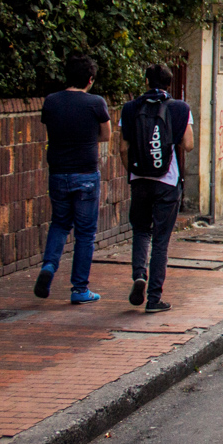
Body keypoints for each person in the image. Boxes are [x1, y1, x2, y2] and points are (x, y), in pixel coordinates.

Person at [117, 64, 194, 313]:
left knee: (140, 231)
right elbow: (189, 144)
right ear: (169, 84)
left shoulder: (130, 108)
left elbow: (121, 148)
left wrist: (134, 173)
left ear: (147, 81)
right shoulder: (180, 108)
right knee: (161, 241)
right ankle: (154, 298)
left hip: (139, 180)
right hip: (167, 183)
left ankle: (139, 274)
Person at [36, 54, 112, 303]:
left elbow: (51, 128)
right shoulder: (96, 103)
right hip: (86, 174)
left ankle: (48, 266)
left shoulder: (52, 102)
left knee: (59, 223)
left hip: (58, 173)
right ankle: (79, 289)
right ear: (90, 79)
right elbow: (106, 135)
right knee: (86, 233)